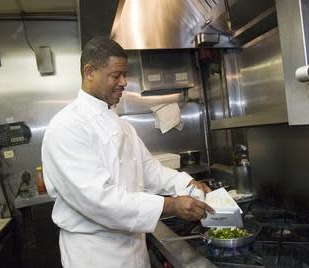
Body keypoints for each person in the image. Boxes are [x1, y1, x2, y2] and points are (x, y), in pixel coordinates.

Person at [41, 36, 214, 268]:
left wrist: (187, 183)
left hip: (134, 249)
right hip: (95, 255)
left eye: (125, 74)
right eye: (115, 75)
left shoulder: (122, 125)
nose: (124, 82)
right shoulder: (66, 127)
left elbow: (149, 170)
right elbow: (98, 200)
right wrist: (171, 205)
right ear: (89, 71)